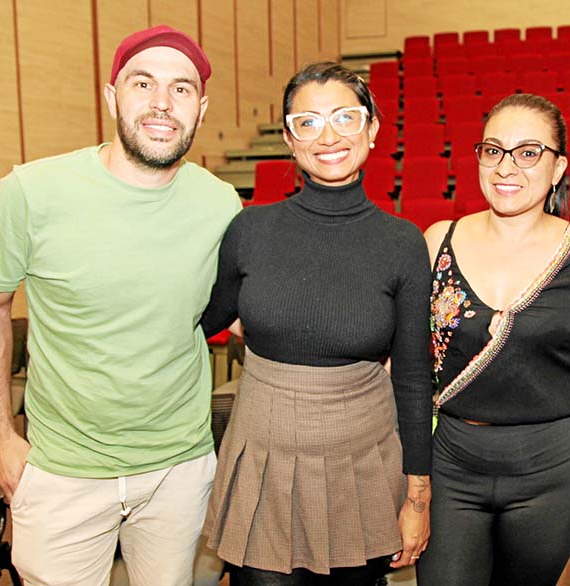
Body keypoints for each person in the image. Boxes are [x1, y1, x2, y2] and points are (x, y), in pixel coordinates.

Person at [0, 25, 242, 585]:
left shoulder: (220, 203)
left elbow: (244, 315)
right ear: (112, 96)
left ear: (201, 108)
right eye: (144, 83)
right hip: (62, 471)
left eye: (181, 89)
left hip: (178, 469)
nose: (162, 103)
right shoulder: (31, 192)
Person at [200, 62, 433, 586]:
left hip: (363, 469)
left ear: (372, 129)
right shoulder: (250, 230)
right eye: (307, 122)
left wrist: (418, 496)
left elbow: (415, 378)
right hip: (265, 463)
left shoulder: (401, 243)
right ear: (288, 138)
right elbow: (199, 321)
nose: (327, 136)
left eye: (345, 118)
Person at [415, 93, 570, 586]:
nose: (507, 167)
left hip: (551, 474)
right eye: (493, 150)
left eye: (529, 152)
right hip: (451, 465)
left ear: (558, 166)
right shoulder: (436, 240)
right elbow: (409, 369)